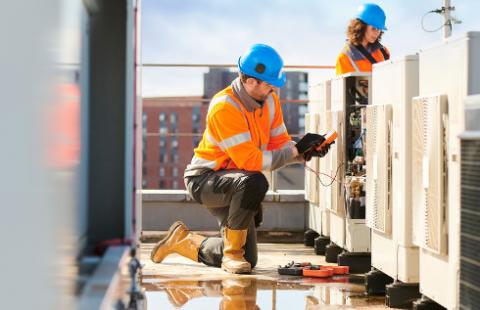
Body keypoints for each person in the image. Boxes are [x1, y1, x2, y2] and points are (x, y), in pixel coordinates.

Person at [150, 44, 330, 274]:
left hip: (238, 181)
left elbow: (279, 144)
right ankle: (231, 256)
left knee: (250, 258)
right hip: (205, 180)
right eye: (269, 83)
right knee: (255, 182)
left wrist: (304, 151)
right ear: (251, 81)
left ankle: (183, 241)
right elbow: (250, 161)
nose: (273, 88)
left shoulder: (271, 102)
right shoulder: (225, 107)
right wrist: (294, 153)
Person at [336, 3, 390, 75]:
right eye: (374, 28)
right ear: (361, 27)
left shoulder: (382, 52)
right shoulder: (344, 59)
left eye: (379, 29)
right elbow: (345, 85)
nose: (377, 33)